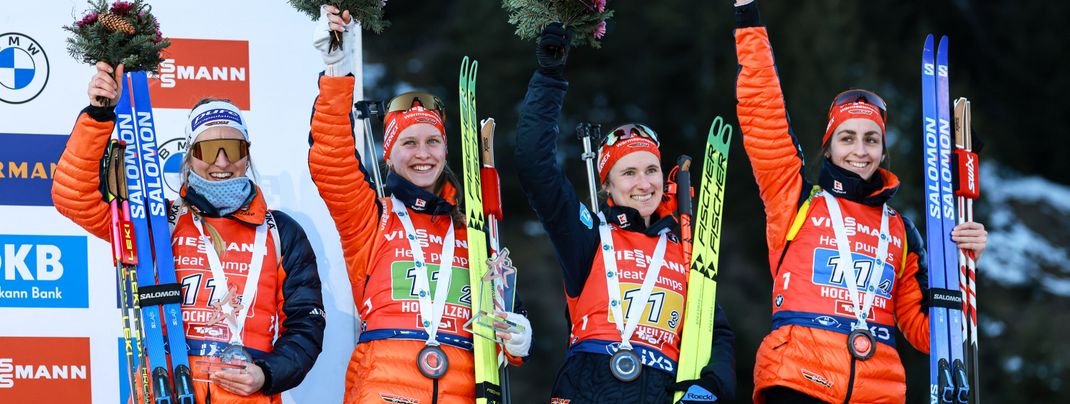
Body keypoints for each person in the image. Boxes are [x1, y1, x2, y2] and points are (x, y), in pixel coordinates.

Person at [731, 1, 989, 402]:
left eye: (871, 139)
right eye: (847, 137)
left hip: (877, 390)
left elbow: (926, 335)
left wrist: (963, 264)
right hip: (797, 378)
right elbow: (763, 113)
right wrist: (747, 16)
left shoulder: (902, 232)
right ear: (829, 149)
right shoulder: (794, 199)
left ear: (883, 151)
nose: (860, 150)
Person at [52, 62, 326, 403]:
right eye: (208, 150)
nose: (222, 162)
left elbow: (306, 326)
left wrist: (267, 373)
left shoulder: (281, 231)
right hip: (167, 387)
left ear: (248, 154)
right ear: (189, 155)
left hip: (245, 393)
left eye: (234, 149)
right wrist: (98, 116)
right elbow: (73, 198)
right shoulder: (156, 221)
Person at [306, 6, 533, 403]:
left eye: (432, 142)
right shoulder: (371, 214)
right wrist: (336, 73)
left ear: (447, 150)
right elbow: (331, 159)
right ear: (389, 155)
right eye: (408, 143)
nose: (422, 154)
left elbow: (504, 315)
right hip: (382, 385)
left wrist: (517, 338)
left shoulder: (473, 231)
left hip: (462, 388)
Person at [514, 23, 737, 403]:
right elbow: (535, 166)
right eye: (628, 173)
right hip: (589, 384)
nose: (644, 183)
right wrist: (549, 79)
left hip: (661, 388)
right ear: (608, 186)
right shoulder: (587, 235)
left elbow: (717, 334)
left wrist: (712, 385)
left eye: (651, 170)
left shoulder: (686, 247)